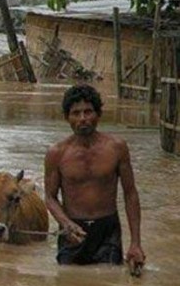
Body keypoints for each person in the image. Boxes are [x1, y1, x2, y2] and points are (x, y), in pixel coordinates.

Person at [44, 84, 145, 267]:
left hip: (107, 231)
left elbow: (130, 194)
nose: (82, 118)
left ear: (98, 115)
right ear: (67, 117)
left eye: (88, 112)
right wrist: (65, 223)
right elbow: (50, 197)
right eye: (76, 113)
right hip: (72, 230)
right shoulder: (56, 153)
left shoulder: (117, 148)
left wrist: (136, 243)